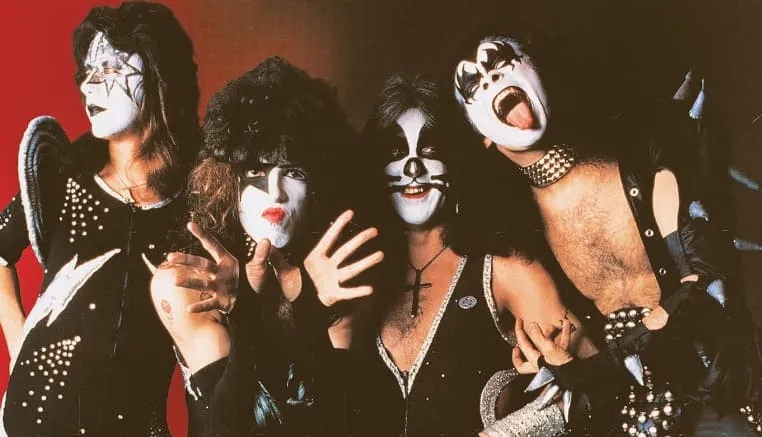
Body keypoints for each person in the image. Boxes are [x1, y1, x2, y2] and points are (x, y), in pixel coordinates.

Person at [454, 32, 758, 435]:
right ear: (481, 133)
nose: (491, 78)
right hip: (631, 414)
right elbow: (583, 353)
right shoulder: (518, 230)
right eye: (474, 84)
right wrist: (555, 359)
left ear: (536, 70)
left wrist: (594, 369)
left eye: (500, 62)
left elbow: (704, 284)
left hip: (719, 393)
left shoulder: (645, 149)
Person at [346, 74, 595, 437]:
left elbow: (598, 384)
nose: (413, 168)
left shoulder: (506, 270)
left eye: (430, 150)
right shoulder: (354, 276)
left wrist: (518, 427)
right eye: (396, 152)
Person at [150, 56, 382, 437]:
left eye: (293, 172)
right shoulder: (187, 281)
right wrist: (244, 311)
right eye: (256, 170)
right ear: (227, 180)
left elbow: (331, 425)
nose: (275, 192)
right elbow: (227, 427)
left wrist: (309, 306)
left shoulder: (338, 277)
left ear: (318, 186)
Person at [0, 2, 200, 435]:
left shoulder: (200, 203)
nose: (90, 84)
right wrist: (19, 342)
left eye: (109, 68)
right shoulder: (62, 176)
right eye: (87, 71)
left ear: (159, 74)